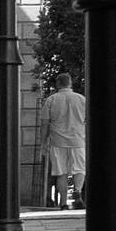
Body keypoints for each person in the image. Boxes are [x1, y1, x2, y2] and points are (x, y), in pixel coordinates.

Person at [40, 72, 86, 208]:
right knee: (80, 169)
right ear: (70, 83)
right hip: (78, 139)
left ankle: (63, 202)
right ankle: (77, 192)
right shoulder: (81, 99)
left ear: (57, 84)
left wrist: (43, 142)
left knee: (61, 173)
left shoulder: (51, 100)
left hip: (58, 141)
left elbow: (45, 124)